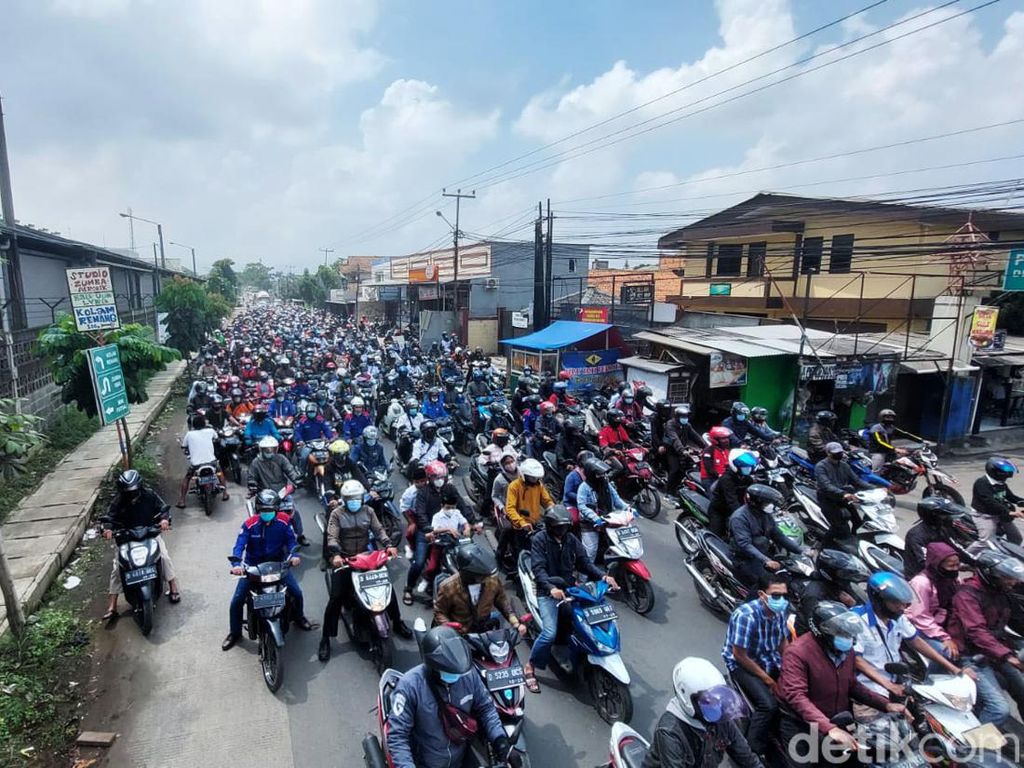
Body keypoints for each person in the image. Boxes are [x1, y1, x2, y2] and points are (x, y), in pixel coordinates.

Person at [776, 601, 902, 764]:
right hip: (801, 725)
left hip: (836, 720)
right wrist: (830, 729)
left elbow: (852, 685)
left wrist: (886, 705)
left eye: (848, 634)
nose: (847, 638)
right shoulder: (798, 653)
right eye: (841, 633)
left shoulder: (845, 650)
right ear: (823, 631)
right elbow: (796, 696)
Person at [385, 626, 520, 768]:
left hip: (459, 758)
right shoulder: (410, 686)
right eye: (449, 671)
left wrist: (501, 742)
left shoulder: (468, 675)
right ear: (433, 666)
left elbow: (486, 709)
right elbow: (398, 736)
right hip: (424, 762)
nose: (457, 677)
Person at [523, 506, 617, 688]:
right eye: (559, 527)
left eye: (565, 527)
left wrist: (603, 577)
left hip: (569, 589)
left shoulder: (570, 540)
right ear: (550, 526)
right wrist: (550, 588)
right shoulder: (539, 540)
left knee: (587, 620)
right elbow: (539, 569)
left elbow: (584, 563)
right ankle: (530, 666)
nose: (562, 530)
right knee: (549, 633)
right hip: (547, 591)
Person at [318, 479, 410, 662]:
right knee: (336, 598)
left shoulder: (368, 511)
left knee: (387, 588)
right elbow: (332, 536)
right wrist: (335, 555)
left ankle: (397, 622)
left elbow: (379, 530)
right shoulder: (337, 514)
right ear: (344, 499)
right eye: (350, 498)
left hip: (367, 557)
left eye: (357, 498)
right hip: (345, 559)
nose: (354, 501)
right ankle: (326, 639)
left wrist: (388, 545)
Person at [851, 571, 970, 710]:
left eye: (904, 605)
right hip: (869, 690)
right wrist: (888, 685)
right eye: (896, 603)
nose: (902, 609)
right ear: (879, 599)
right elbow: (857, 660)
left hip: (896, 684)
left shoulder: (898, 618)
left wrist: (955, 669)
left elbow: (916, 642)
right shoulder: (857, 620)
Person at [432, 543, 540, 693]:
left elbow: (502, 602)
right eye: (480, 575)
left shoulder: (492, 581)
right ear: (467, 573)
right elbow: (439, 612)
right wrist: (450, 628)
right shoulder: (448, 587)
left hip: (483, 632)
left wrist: (516, 622)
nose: (485, 578)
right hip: (460, 634)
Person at [223, 489, 314, 651]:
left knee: (297, 593)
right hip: (253, 568)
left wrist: (294, 555)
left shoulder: (284, 521)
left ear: (276, 510)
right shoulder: (249, 524)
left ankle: (299, 617)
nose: (267, 514)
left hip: (278, 565)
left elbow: (291, 541)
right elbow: (239, 545)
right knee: (237, 601)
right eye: (264, 511)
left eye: (271, 511)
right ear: (258, 510)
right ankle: (235, 633)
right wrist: (236, 564)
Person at [947, 551, 1024, 725]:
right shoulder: (966, 595)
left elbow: (1018, 620)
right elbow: (976, 632)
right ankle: (974, 747)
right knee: (998, 709)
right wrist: (1008, 656)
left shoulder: (1002, 592)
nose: (1013, 582)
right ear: (991, 574)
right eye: (1008, 578)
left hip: (995, 651)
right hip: (970, 656)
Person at [642, 657, 762, 768]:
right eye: (708, 702)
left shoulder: (721, 720)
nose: (716, 707)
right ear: (687, 698)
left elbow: (746, 757)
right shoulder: (670, 732)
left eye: (717, 700)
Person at [722, 572, 791, 756]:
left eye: (784, 595)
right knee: (768, 705)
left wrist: (791, 667)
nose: (782, 600)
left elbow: (783, 641)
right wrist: (768, 680)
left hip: (769, 660)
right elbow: (740, 655)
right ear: (762, 595)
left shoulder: (781, 611)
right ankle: (750, 750)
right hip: (744, 665)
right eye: (776, 595)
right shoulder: (745, 616)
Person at [100, 470, 181, 619]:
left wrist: (164, 520)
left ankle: (173, 587)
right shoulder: (119, 500)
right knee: (118, 567)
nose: (131, 494)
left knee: (164, 557)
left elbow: (163, 509)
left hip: (150, 534)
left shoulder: (149, 495)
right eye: (128, 491)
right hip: (126, 538)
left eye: (134, 490)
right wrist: (108, 530)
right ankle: (112, 606)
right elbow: (109, 518)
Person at [728, 484, 804, 594]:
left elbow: (778, 536)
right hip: (744, 559)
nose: (770, 506)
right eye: (767, 503)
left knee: (786, 575)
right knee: (765, 585)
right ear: (756, 502)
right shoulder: (739, 518)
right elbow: (745, 544)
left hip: (762, 553)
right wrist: (766, 560)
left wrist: (802, 551)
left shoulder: (765, 514)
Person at [247, 436, 308, 546]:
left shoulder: (281, 458)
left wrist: (296, 480)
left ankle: (300, 535)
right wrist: (252, 485)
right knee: (258, 517)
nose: (269, 452)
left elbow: (290, 470)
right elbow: (251, 477)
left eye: (272, 449)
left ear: (276, 449)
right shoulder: (256, 462)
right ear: (261, 450)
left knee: (294, 514)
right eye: (266, 449)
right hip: (264, 495)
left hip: (282, 493)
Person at [907, 543, 962, 663]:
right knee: (948, 654)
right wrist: (944, 638)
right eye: (951, 566)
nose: (955, 569)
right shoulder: (921, 583)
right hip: (921, 627)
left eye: (957, 565)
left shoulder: (953, 581)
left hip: (943, 623)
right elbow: (920, 617)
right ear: (937, 564)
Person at [793, 549, 867, 636]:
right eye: (844, 574)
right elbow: (816, 627)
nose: (848, 577)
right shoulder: (814, 594)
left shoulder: (842, 587)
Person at [813, 442, 871, 547]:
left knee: (857, 521)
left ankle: (852, 540)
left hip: (842, 497)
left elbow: (856, 481)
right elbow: (826, 486)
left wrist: (874, 489)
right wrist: (843, 493)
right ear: (828, 453)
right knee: (838, 526)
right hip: (827, 498)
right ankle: (822, 548)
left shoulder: (844, 466)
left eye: (840, 452)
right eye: (835, 453)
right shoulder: (820, 466)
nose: (838, 454)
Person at [903, 496, 974, 579]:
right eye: (945, 516)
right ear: (933, 516)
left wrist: (976, 562)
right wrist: (956, 566)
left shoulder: (941, 530)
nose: (949, 518)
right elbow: (925, 562)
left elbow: (956, 547)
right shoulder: (917, 535)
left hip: (942, 575)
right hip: (921, 578)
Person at [576, 457, 629, 562]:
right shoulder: (584, 487)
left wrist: (627, 508)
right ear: (591, 474)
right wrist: (595, 518)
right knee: (590, 552)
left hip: (609, 519)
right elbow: (582, 506)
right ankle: (583, 577)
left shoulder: (606, 484)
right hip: (590, 523)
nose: (602, 476)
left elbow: (616, 499)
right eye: (599, 474)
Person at [176, 414, 229, 507]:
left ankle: (182, 500)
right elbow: (216, 438)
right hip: (211, 462)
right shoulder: (210, 431)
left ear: (193, 425)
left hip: (196, 465)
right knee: (220, 473)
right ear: (204, 423)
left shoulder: (189, 434)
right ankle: (225, 494)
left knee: (187, 478)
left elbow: (184, 446)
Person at [970, 457, 1024, 547]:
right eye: (1005, 475)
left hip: (1000, 513)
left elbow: (1011, 497)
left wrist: (1021, 502)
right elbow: (990, 502)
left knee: (1016, 538)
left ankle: (1007, 555)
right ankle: (967, 557)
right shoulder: (982, 483)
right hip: (985, 516)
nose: (1007, 477)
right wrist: (1010, 512)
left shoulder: (1001, 483)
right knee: (985, 542)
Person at [707, 449, 757, 538]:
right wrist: (743, 516)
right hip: (720, 510)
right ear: (736, 465)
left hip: (738, 508)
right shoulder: (726, 480)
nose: (748, 470)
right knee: (716, 536)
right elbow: (732, 501)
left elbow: (754, 493)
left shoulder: (746, 477)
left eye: (749, 467)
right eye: (745, 467)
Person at [664, 404, 703, 492]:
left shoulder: (687, 425)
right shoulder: (670, 425)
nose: (685, 418)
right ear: (677, 417)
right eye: (683, 416)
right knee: (675, 469)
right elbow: (675, 439)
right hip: (672, 451)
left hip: (683, 450)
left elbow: (696, 437)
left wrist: (707, 447)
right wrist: (682, 450)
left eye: (686, 416)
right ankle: (668, 491)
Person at [294, 404, 335, 469]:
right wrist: (300, 440)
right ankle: (302, 470)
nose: (311, 414)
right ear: (306, 413)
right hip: (307, 444)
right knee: (304, 457)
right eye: (310, 412)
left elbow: (326, 429)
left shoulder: (320, 420)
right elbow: (297, 432)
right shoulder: (302, 421)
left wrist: (330, 437)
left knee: (331, 453)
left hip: (319, 443)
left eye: (313, 412)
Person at [699, 426, 733, 492]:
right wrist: (719, 475)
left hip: (724, 479)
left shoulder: (726, 450)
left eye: (727, 438)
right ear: (716, 440)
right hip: (710, 479)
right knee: (715, 498)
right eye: (723, 439)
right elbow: (709, 469)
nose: (726, 440)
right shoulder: (709, 451)